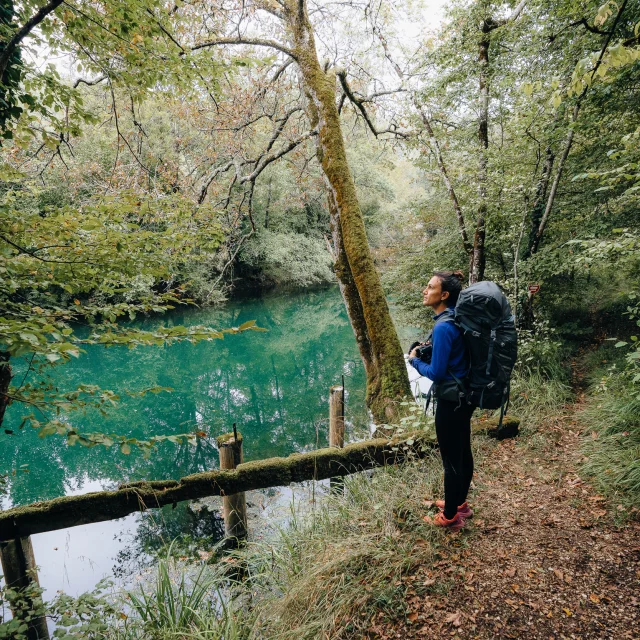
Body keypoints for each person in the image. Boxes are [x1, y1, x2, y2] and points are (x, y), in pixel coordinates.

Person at [408, 270, 474, 532]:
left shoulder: (444, 326)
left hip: (451, 401)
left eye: (430, 287)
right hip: (464, 397)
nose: (425, 291)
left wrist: (415, 361)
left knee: (451, 459)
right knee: (463, 451)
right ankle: (460, 504)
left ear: (444, 295)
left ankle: (449, 517)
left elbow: (435, 372)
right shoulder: (454, 319)